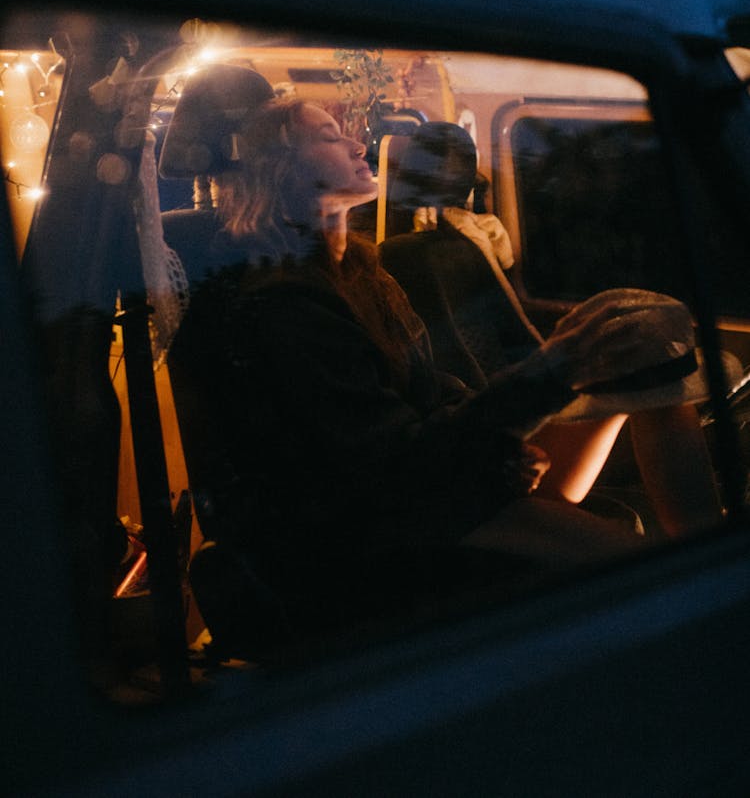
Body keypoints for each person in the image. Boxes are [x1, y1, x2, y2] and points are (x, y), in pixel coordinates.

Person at [170, 99, 725, 638]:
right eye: (329, 138)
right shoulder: (284, 305)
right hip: (381, 534)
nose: (358, 143)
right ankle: (710, 596)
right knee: (649, 572)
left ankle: (717, 558)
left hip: (436, 488)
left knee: (643, 344)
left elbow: (433, 393)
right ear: (280, 170)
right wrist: (547, 377)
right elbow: (390, 470)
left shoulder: (365, 272)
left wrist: (507, 440)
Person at [379, 122, 727, 536]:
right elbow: (434, 393)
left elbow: (497, 335)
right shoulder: (401, 264)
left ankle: (708, 542)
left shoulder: (464, 242)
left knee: (650, 361)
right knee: (652, 380)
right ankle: (708, 551)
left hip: (495, 421)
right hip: (487, 448)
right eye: (331, 137)